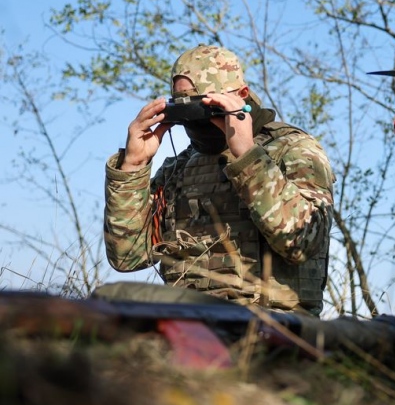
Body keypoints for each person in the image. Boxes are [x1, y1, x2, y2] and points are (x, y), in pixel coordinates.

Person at [103, 45, 334, 315]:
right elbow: (128, 257)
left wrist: (247, 156)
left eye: (207, 106)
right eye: (184, 109)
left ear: (242, 95)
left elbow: (303, 242)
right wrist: (132, 168)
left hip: (273, 330)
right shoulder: (179, 168)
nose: (198, 121)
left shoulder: (292, 150)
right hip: (189, 327)